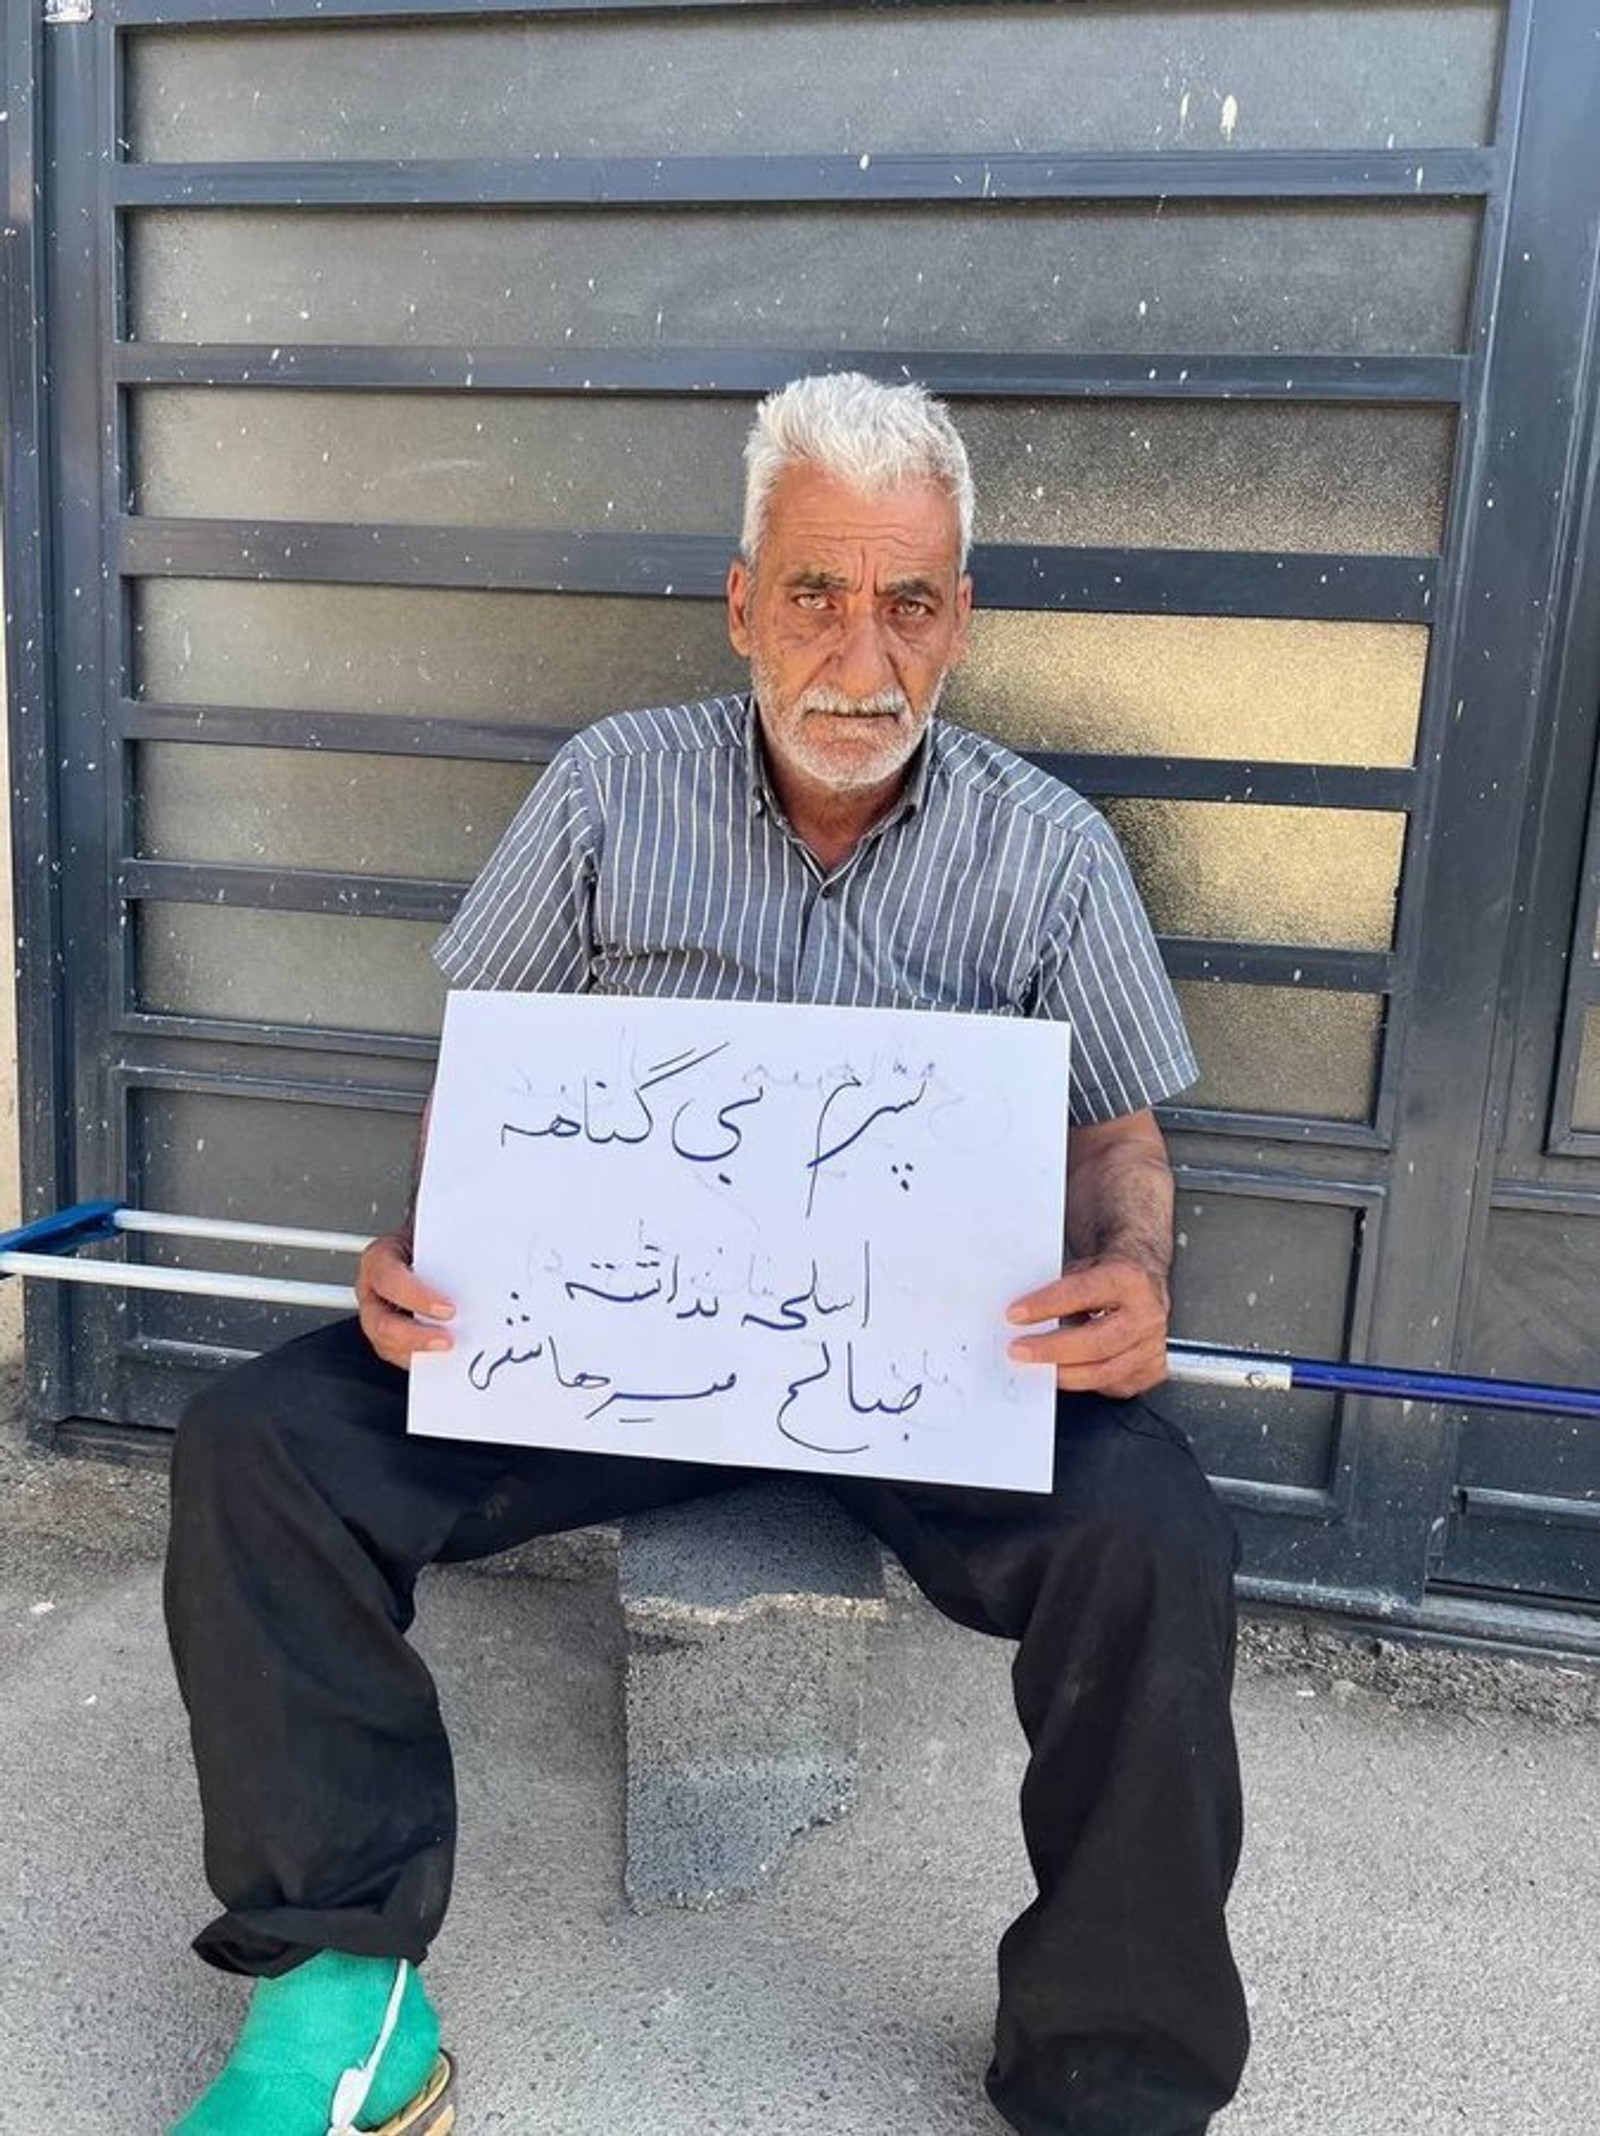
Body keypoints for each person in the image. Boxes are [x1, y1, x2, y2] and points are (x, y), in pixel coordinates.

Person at [165, 373, 1248, 2136]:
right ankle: (345, 1988)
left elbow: (1118, 1138)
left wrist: (1133, 1274)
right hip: (605, 1358)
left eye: (908, 602)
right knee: (257, 1447)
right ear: (743, 603)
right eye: (815, 592)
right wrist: (425, 1248)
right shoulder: (609, 792)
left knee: (1157, 1536)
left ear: (960, 621)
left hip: (924, 1379)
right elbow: (485, 1075)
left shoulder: (1049, 852)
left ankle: (1111, 2084)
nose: (861, 653)